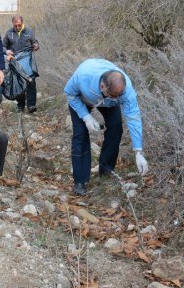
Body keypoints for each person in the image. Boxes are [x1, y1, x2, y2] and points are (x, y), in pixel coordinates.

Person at [64, 58, 149, 196]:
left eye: (118, 96)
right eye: (113, 96)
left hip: (106, 101)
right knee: (80, 134)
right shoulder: (83, 76)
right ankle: (80, 180)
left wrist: (138, 151)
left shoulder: (125, 91)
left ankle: (106, 170)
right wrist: (86, 117)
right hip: (81, 99)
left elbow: (134, 117)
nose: (117, 100)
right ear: (102, 87)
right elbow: (69, 93)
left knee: (116, 127)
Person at [2, 15, 40, 113]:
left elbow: (35, 43)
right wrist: (7, 52)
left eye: (19, 25)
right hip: (15, 62)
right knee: (18, 83)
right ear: (13, 24)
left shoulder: (29, 31)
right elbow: (2, 47)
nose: (17, 27)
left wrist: (36, 46)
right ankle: (21, 105)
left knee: (31, 81)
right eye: (15, 26)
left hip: (28, 61)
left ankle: (31, 105)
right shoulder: (9, 33)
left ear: (22, 23)